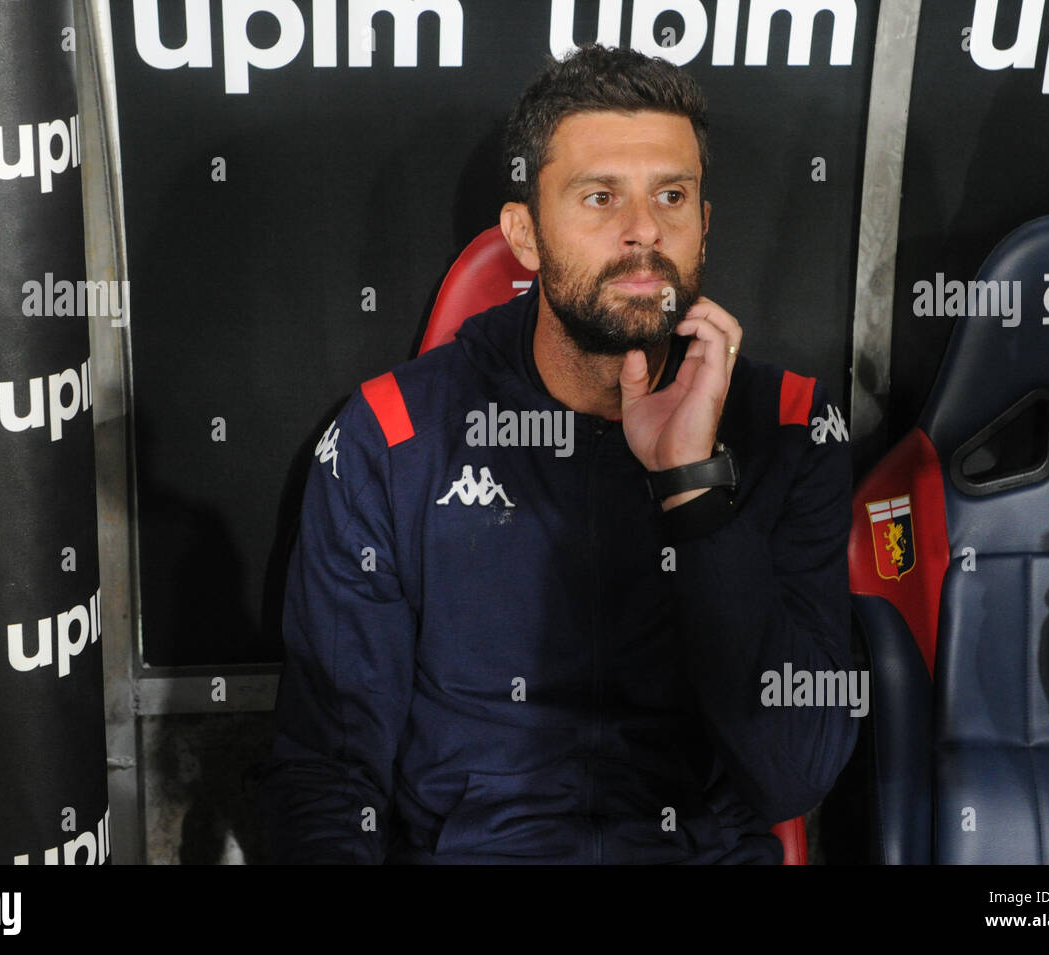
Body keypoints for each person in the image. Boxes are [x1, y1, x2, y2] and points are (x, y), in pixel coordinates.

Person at [262, 43, 857, 864]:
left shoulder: (790, 424)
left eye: (672, 196)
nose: (644, 229)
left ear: (705, 226)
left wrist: (694, 489)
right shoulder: (392, 437)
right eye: (600, 196)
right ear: (526, 234)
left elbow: (795, 773)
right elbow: (328, 777)